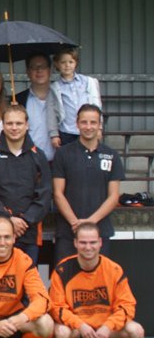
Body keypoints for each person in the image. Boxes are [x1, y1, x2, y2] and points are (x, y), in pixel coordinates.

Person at [50, 223, 144, 338]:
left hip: (105, 331)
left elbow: (127, 306)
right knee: (61, 333)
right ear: (75, 243)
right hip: (78, 330)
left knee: (136, 332)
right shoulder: (62, 270)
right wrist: (80, 326)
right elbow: (57, 308)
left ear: (100, 242)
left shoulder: (114, 270)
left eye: (92, 242)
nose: (88, 247)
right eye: (83, 242)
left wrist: (108, 326)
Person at [52, 104, 123, 265]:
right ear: (77, 124)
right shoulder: (63, 153)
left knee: (99, 279)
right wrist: (74, 223)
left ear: (99, 125)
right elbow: (57, 193)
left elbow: (113, 196)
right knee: (65, 278)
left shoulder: (112, 155)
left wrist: (90, 222)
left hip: (99, 233)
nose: (88, 127)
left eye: (93, 122)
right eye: (84, 122)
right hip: (68, 232)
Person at [0, 104, 52, 266]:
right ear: (3, 124)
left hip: (28, 232)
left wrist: (25, 220)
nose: (14, 128)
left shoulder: (39, 156)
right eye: (10, 123)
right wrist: (8, 220)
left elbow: (45, 194)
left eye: (19, 123)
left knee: (27, 280)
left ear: (27, 125)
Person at [46, 47, 102, 147]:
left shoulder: (87, 82)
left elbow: (96, 105)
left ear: (76, 63)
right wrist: (54, 134)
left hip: (87, 129)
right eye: (63, 62)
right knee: (69, 155)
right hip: (67, 131)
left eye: (71, 62)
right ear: (57, 64)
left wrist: (99, 127)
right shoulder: (55, 87)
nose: (67, 65)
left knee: (88, 154)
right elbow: (51, 112)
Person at [13, 53, 55, 161]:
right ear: (28, 72)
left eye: (43, 66)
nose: (39, 70)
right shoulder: (17, 100)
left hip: (58, 163)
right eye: (34, 67)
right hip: (28, 162)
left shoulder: (61, 98)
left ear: (50, 70)